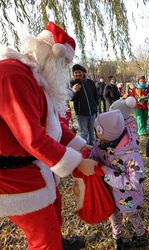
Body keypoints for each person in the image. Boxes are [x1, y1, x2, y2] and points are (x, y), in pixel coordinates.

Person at [0, 21, 97, 250]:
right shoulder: (14, 75)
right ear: (51, 54)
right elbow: (31, 137)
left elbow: (51, 127)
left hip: (32, 166)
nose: (64, 70)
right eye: (63, 63)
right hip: (13, 174)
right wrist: (79, 162)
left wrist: (82, 148)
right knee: (44, 239)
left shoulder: (35, 77)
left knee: (54, 211)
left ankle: (58, 241)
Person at [90, 110, 148, 249]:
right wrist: (89, 160)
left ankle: (141, 236)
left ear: (104, 133)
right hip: (110, 194)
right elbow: (94, 154)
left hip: (128, 197)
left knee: (133, 214)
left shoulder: (131, 155)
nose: (96, 137)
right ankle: (118, 239)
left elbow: (134, 182)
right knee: (114, 216)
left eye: (97, 132)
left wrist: (106, 171)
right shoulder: (102, 144)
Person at [70, 64, 99, 145]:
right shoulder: (71, 84)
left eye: (79, 72)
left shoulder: (90, 82)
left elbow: (96, 94)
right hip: (81, 113)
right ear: (73, 74)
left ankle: (92, 148)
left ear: (83, 73)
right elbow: (70, 98)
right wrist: (74, 91)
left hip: (92, 112)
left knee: (92, 132)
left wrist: (95, 105)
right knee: (84, 133)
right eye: (75, 72)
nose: (78, 74)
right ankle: (84, 150)